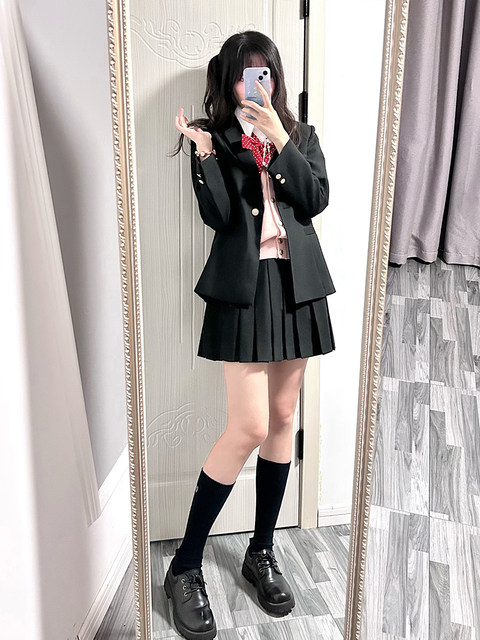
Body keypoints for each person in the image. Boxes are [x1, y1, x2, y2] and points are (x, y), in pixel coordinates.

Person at [165, 30, 336, 640]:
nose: (254, 83)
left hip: (297, 289)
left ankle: (261, 550)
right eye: (244, 73)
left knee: (283, 419)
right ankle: (185, 566)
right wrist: (205, 154)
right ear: (230, 80)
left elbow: (314, 200)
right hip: (243, 291)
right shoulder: (216, 140)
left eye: (264, 72)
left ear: (276, 78)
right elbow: (217, 216)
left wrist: (281, 140)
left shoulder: (301, 136)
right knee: (249, 426)